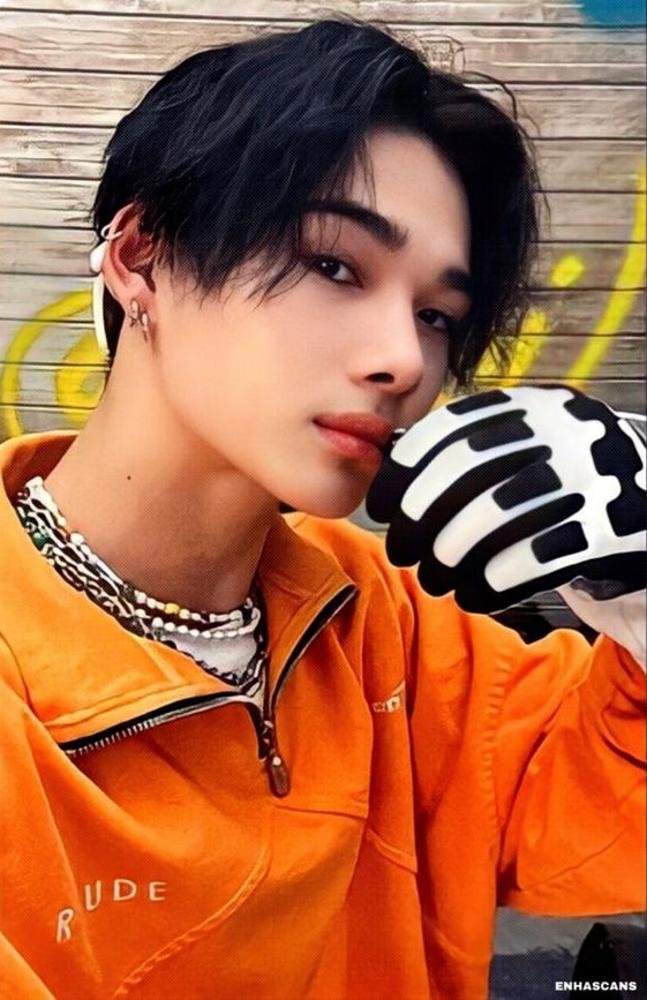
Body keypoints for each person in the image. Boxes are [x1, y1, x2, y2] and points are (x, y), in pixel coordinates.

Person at [0, 19, 644, 1000]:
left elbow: (599, 823)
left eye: (436, 315)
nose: (402, 360)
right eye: (335, 266)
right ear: (140, 258)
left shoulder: (381, 621)